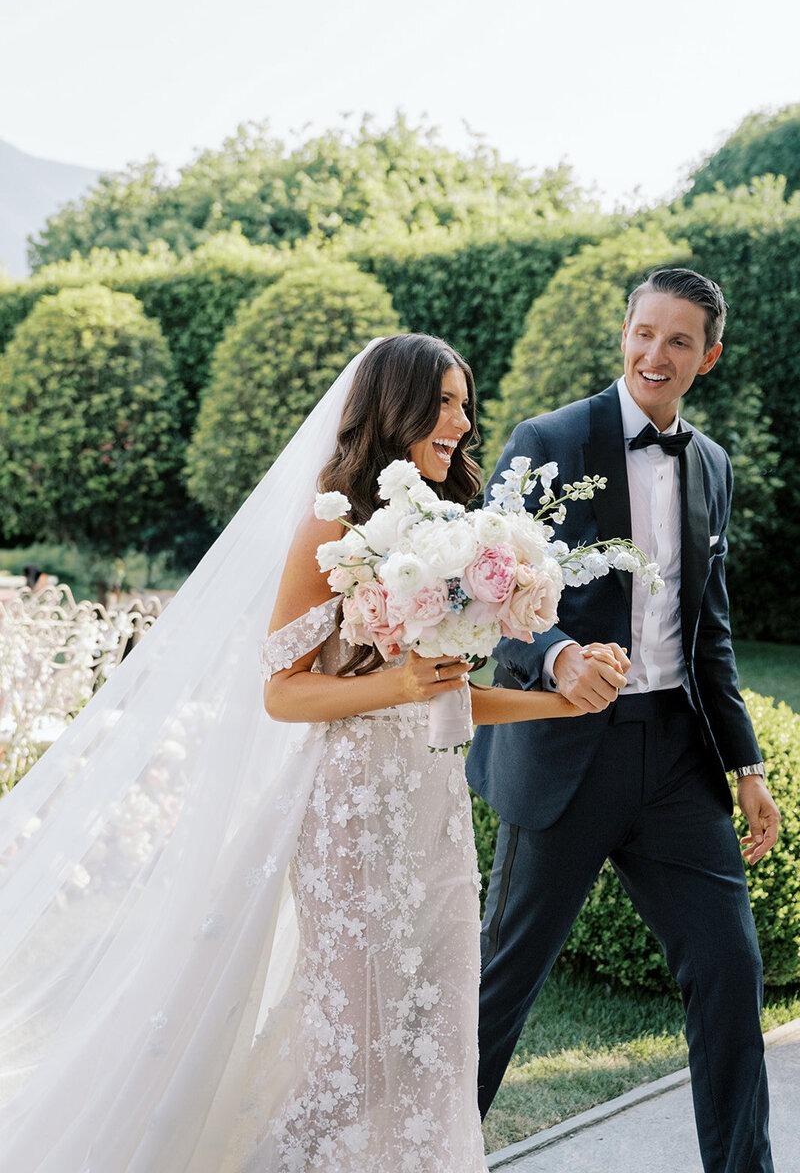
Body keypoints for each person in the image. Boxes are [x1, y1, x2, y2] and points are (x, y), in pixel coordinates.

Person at [0, 333, 622, 1172]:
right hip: (349, 816)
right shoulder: (328, 532)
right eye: (442, 403)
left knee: (429, 1039)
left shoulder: (453, 532)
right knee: (351, 1056)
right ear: (394, 409)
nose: (462, 423)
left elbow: (441, 689)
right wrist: (397, 688)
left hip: (433, 821)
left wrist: (558, 701)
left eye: (463, 403)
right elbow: (282, 690)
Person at [467, 268, 782, 1173]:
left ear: (707, 358)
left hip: (677, 762)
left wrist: (745, 767)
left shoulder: (712, 464)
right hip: (566, 756)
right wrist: (561, 655)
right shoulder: (547, 439)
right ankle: (430, 1157)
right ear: (624, 332)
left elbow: (708, 629)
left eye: (680, 341)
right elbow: (484, 591)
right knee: (503, 988)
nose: (657, 353)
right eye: (646, 332)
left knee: (729, 973)